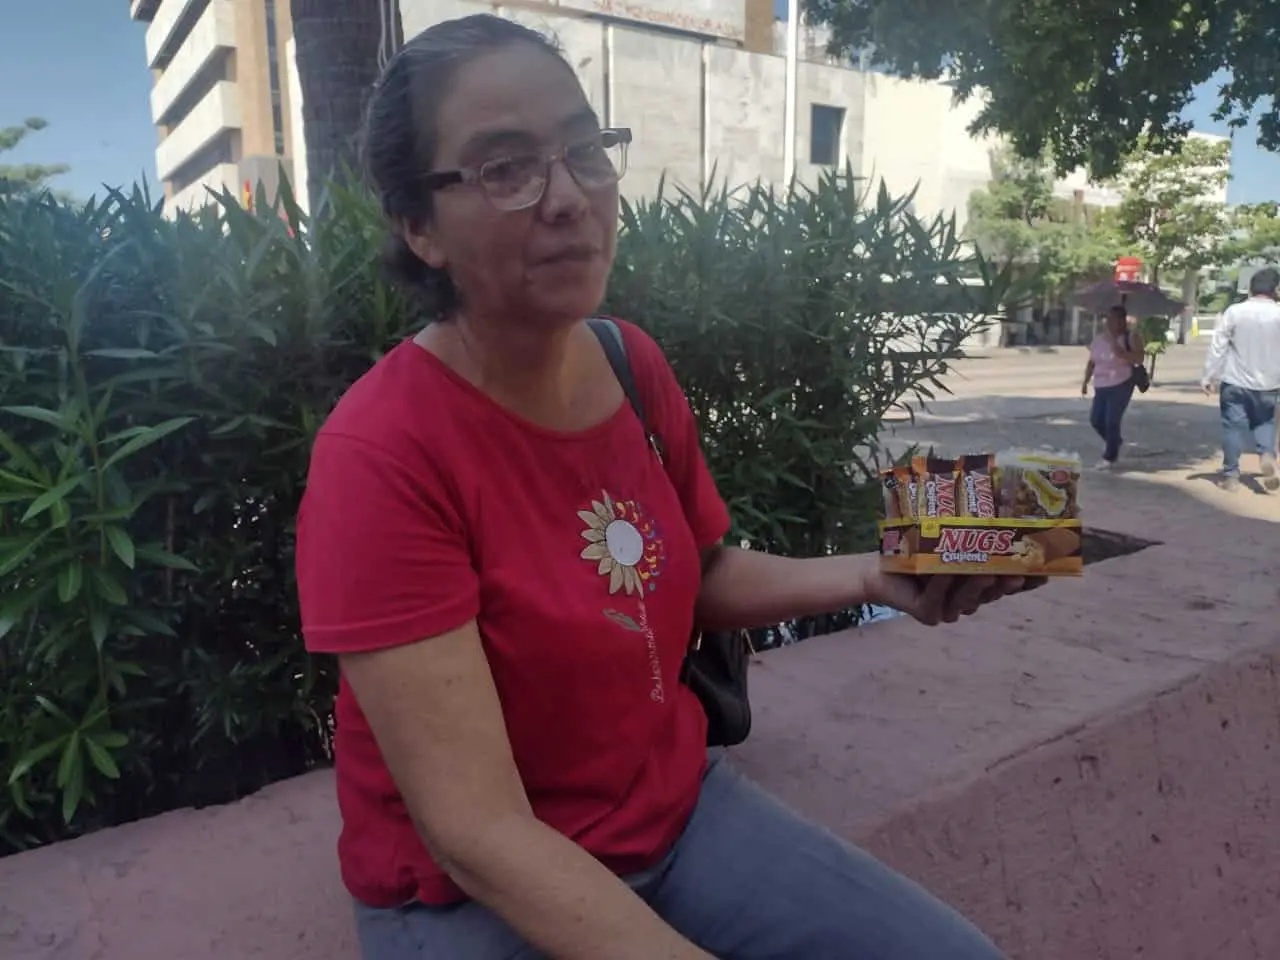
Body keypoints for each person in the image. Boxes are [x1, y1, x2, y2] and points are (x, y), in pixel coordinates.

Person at [295, 14, 1035, 960]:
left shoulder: (628, 363)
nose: (567, 196)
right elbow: (476, 832)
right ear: (418, 226)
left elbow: (698, 571)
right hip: (467, 896)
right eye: (505, 168)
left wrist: (870, 575)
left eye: (584, 149)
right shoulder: (381, 452)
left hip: (675, 820)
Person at [1201, 266, 1280, 492]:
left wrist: (1209, 376)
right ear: (1275, 290)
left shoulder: (1235, 312)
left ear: (1251, 288)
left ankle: (1231, 476)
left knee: (1232, 428)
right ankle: (1266, 454)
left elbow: (1218, 347)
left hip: (1235, 381)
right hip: (1269, 383)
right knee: (1264, 422)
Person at [1081, 305, 1144, 470]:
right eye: (1108, 319)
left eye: (1114, 319)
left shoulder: (1132, 338)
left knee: (1111, 421)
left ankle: (1110, 456)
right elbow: (1092, 362)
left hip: (1122, 383)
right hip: (1101, 384)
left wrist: (1119, 349)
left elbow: (1138, 359)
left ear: (1123, 321)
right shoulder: (1099, 339)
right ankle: (1117, 442)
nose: (1110, 323)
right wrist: (1085, 381)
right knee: (1096, 420)